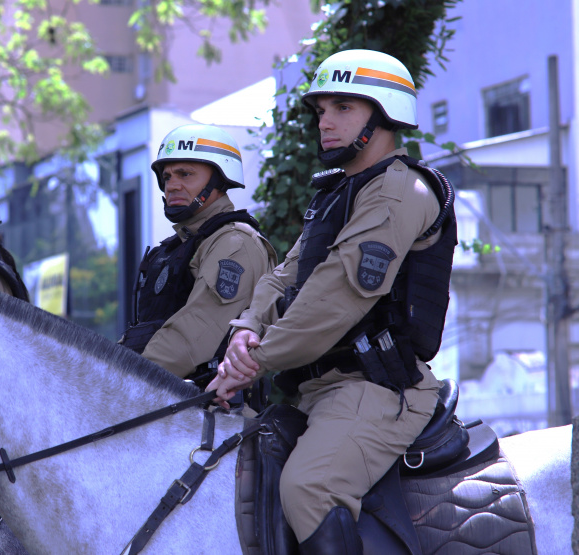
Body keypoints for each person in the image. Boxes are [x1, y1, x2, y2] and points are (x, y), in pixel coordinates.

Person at [208, 49, 456, 553]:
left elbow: (333, 298)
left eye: (343, 107)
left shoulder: (399, 191)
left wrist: (252, 363)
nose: (325, 122)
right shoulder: (338, 194)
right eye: (321, 110)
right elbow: (284, 276)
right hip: (317, 390)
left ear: (383, 115)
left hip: (378, 391)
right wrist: (247, 327)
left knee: (310, 488)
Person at [120, 123, 276, 382]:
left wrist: (121, 382)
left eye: (185, 174)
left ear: (218, 178)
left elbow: (195, 336)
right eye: (167, 177)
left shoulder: (234, 243)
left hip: (213, 411)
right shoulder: (177, 246)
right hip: (160, 401)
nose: (172, 185)